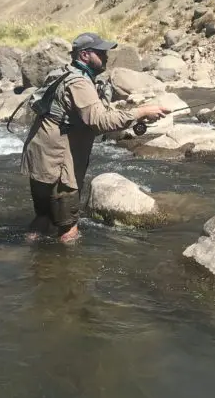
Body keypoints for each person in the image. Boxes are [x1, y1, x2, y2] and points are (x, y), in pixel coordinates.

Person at [20, 33, 169, 243]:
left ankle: (30, 258)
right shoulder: (80, 83)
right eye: (100, 53)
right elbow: (100, 122)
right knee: (68, 228)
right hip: (58, 163)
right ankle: (66, 272)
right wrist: (141, 112)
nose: (106, 57)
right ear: (85, 55)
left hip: (39, 157)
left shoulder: (63, 73)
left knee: (43, 216)